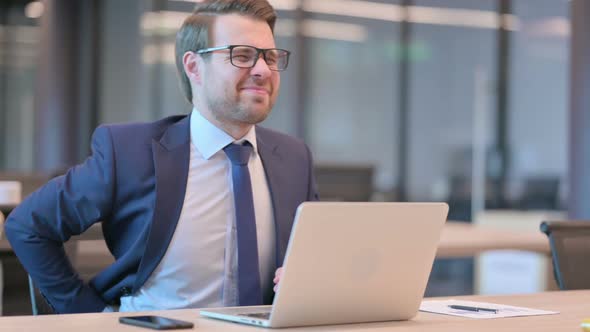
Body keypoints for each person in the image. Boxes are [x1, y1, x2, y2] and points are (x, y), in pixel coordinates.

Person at [4, 0, 318, 314]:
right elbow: (29, 225)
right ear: (194, 66)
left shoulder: (294, 158)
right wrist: (87, 315)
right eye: (243, 55)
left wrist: (304, 277)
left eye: (271, 57)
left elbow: (318, 255)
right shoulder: (129, 152)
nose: (263, 70)